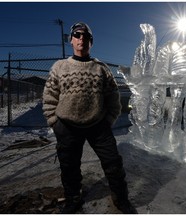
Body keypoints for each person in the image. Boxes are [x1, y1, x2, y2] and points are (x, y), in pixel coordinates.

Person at [42, 22, 137, 214]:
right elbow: (49, 96)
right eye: (77, 35)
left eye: (86, 36)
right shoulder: (60, 67)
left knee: (113, 164)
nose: (81, 39)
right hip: (67, 126)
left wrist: (108, 120)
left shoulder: (101, 68)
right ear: (71, 40)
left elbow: (113, 98)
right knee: (69, 167)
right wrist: (54, 121)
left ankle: (121, 199)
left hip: (97, 125)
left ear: (91, 42)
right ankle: (73, 199)